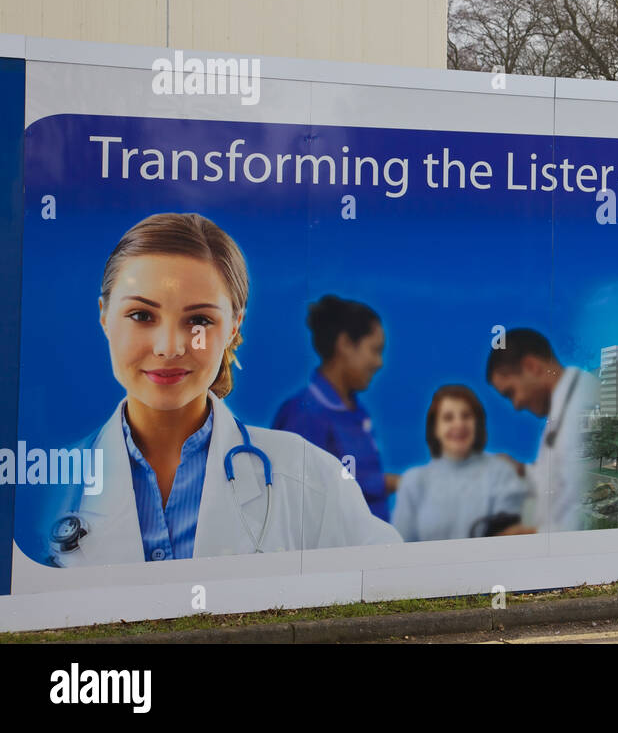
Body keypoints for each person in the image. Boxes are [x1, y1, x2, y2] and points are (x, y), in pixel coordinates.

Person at [47, 213, 400, 567]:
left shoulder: (311, 478)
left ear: (234, 325)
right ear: (104, 316)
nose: (169, 347)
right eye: (141, 315)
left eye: (199, 320)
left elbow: (393, 584)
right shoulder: (45, 488)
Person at [273, 295, 400, 521]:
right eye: (375, 350)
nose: (379, 363)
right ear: (345, 345)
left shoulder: (357, 413)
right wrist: (385, 483)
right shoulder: (305, 413)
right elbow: (302, 489)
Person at [486, 328, 597, 534]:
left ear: (532, 367)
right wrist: (521, 470)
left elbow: (584, 513)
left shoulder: (581, 407)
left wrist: (526, 534)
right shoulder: (561, 410)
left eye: (511, 392)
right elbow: (557, 480)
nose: (516, 405)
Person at [392, 385, 527, 541]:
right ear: (435, 428)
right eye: (448, 418)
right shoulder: (413, 481)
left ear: (477, 423)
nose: (459, 424)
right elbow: (401, 546)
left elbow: (508, 540)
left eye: (466, 416)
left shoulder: (501, 473)